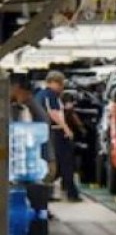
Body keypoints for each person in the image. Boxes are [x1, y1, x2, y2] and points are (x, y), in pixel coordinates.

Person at [37, 72, 81, 202]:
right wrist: (66, 129)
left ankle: (50, 192)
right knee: (65, 162)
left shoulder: (42, 95)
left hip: (48, 132)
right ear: (52, 82)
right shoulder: (50, 95)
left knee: (57, 165)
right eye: (60, 83)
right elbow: (53, 113)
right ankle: (71, 193)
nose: (62, 86)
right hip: (56, 133)